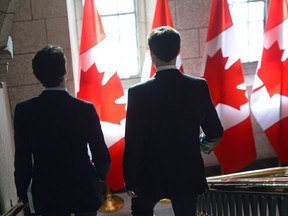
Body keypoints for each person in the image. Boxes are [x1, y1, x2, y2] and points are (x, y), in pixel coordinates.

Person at [123, 26, 223, 216]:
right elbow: (215, 131)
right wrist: (197, 146)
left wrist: (130, 179)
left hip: (147, 175)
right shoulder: (198, 87)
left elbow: (134, 141)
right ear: (178, 51)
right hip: (186, 172)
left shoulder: (137, 93)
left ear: (151, 54)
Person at [14, 45, 111, 216]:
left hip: (47, 191)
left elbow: (22, 158)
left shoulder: (24, 111)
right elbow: (100, 151)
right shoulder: (85, 109)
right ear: (65, 71)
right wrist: (100, 174)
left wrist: (22, 189)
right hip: (83, 187)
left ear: (37, 75)